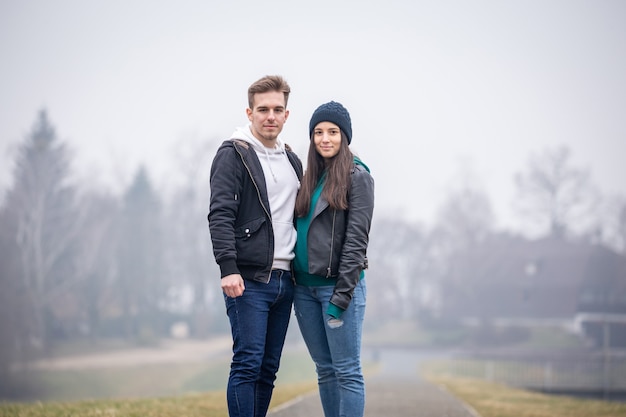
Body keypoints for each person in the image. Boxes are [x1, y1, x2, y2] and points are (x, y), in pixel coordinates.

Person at [208, 75, 303, 417]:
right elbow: (220, 214)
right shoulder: (234, 153)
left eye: (278, 109)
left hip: (285, 281)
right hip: (248, 280)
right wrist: (228, 268)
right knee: (247, 364)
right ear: (249, 113)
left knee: (268, 369)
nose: (270, 116)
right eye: (263, 109)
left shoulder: (292, 161)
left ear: (287, 115)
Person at [293, 101, 375, 417]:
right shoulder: (309, 177)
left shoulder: (358, 177)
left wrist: (341, 297)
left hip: (338, 291)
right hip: (304, 290)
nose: (325, 138)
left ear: (344, 136)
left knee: (347, 370)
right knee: (325, 369)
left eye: (332, 132)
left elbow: (356, 243)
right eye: (318, 132)